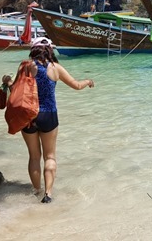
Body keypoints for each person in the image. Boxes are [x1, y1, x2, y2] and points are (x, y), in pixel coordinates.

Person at [15, 36, 94, 203]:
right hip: (49, 114)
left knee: (34, 156)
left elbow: (15, 89)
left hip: (29, 115)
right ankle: (48, 194)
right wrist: (88, 81)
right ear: (50, 50)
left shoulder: (25, 67)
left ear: (33, 50)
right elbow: (77, 86)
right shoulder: (55, 68)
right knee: (50, 157)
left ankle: (36, 191)